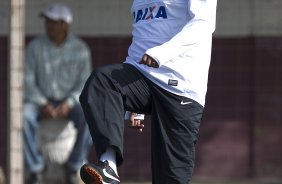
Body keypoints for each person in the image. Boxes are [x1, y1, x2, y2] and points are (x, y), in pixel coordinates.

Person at [79, 0, 217, 183]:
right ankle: (108, 167)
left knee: (170, 178)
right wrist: (133, 107)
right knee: (102, 82)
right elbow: (142, 41)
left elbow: (203, 24)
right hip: (143, 78)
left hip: (181, 89)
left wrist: (162, 53)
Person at [23, 3, 92, 184]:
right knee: (23, 116)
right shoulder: (34, 47)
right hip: (40, 102)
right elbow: (27, 81)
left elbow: (84, 84)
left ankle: (74, 165)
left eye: (54, 22)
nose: (49, 25)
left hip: (70, 102)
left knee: (90, 115)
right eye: (47, 21)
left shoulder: (81, 49)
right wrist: (41, 103)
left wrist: (68, 103)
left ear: (65, 24)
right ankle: (36, 169)